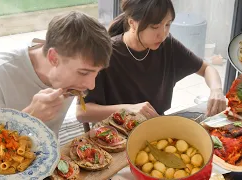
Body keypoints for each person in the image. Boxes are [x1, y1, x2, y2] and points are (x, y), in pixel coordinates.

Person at [76, 0, 226, 123]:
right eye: (155, 27)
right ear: (132, 23)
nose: (163, 33)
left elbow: (207, 69)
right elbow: (82, 112)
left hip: (154, 127)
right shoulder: (107, 53)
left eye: (167, 24)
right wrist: (127, 109)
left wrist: (216, 90)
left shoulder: (168, 45)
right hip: (115, 132)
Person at [0, 11, 112, 137]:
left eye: (96, 73)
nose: (91, 85)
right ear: (53, 57)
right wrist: (29, 117)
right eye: (83, 73)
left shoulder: (69, 69)